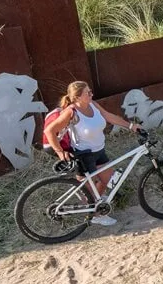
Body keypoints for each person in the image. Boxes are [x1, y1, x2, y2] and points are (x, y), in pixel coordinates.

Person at [44, 81, 140, 226]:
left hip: (99, 150)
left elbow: (108, 116)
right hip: (83, 155)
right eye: (88, 93)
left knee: (106, 179)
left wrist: (131, 126)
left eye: (90, 91)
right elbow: (49, 131)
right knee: (88, 190)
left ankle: (94, 201)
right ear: (77, 97)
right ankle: (94, 214)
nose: (91, 94)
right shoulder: (71, 112)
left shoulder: (92, 105)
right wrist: (60, 152)